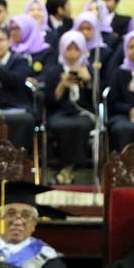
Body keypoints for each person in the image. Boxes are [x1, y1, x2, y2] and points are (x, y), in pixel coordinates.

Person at [45, 31, 95, 184]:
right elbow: (49, 101)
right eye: (68, 49)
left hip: (83, 113)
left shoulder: (89, 70)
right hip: (60, 113)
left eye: (76, 49)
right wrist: (62, 85)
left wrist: (88, 81)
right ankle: (68, 168)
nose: (72, 54)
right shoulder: (54, 71)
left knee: (81, 125)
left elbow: (96, 100)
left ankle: (67, 169)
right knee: (60, 125)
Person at [9, 13, 55, 84]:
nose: (13, 32)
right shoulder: (10, 50)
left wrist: (36, 80)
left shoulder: (46, 51)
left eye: (17, 28)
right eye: (11, 29)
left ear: (28, 29)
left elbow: (49, 74)